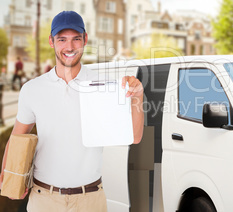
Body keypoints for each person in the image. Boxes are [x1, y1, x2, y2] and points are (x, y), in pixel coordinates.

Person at [0, 11, 144, 212]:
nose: (69, 47)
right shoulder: (32, 89)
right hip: (43, 200)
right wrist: (9, 178)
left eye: (76, 39)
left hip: (90, 199)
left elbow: (135, 137)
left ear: (85, 39)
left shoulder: (103, 87)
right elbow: (17, 137)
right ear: (52, 41)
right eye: (62, 39)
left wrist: (138, 97)